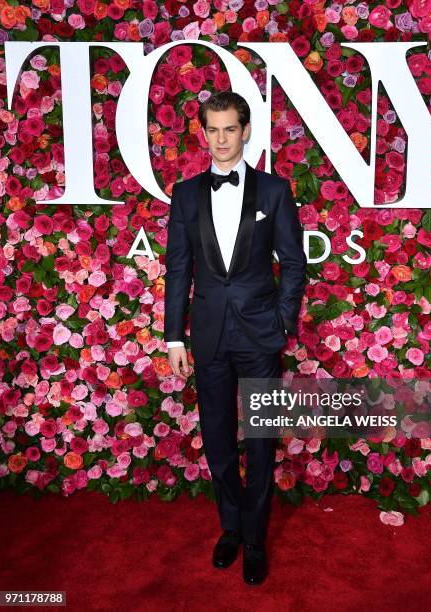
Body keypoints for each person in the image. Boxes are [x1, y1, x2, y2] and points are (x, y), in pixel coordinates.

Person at [164, 91, 307, 585]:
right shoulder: (184, 194)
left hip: (260, 335)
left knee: (262, 439)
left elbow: (293, 262)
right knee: (218, 439)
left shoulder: (274, 191)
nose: (222, 139)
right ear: (203, 134)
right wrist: (173, 339)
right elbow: (178, 268)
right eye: (214, 130)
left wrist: (284, 322)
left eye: (230, 129)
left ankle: (254, 537)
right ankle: (229, 526)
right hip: (207, 337)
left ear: (246, 132)